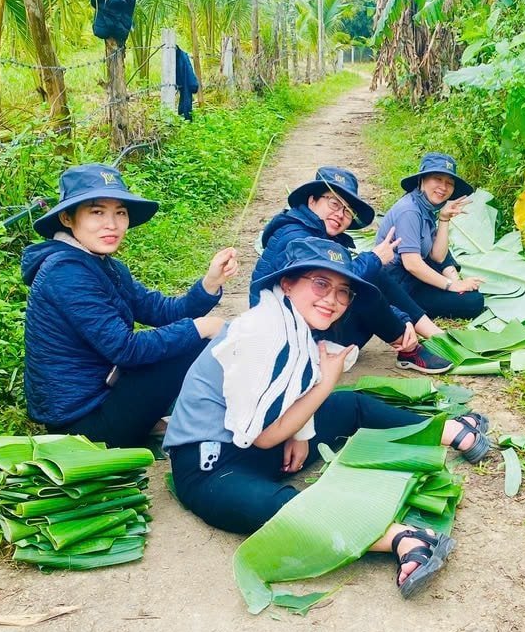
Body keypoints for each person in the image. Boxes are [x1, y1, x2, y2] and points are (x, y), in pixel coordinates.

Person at [164, 238, 492, 597]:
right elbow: (261, 437)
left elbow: (291, 397)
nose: (332, 300)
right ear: (287, 283)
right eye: (320, 284)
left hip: (256, 444)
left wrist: (301, 433)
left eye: (343, 291)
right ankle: (402, 538)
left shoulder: (295, 324)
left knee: (349, 405)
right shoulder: (258, 332)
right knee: (278, 505)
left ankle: (451, 430)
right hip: (209, 465)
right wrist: (326, 382)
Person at [22, 163, 236, 448]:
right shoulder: (65, 272)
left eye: (119, 212)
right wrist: (201, 326)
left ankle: (158, 421)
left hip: (107, 392)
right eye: (97, 212)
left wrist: (210, 283)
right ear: (67, 218)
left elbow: (162, 311)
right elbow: (126, 349)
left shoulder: (104, 265)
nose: (111, 224)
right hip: (84, 425)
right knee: (198, 340)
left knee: (194, 338)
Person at [250, 166, 452, 374]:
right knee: (366, 285)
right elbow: (338, 284)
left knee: (370, 278)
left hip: (309, 324)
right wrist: (375, 260)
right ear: (312, 201)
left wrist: (402, 317)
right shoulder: (296, 237)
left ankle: (419, 336)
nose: (340, 214)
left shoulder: (320, 235)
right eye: (334, 203)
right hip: (290, 336)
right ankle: (410, 346)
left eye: (348, 211)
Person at [377, 153, 486, 321]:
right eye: (438, 179)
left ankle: (455, 285)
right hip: (398, 286)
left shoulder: (425, 208)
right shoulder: (410, 211)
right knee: (473, 302)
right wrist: (452, 285)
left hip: (411, 278)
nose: (444, 187)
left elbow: (438, 256)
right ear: (422, 180)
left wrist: (444, 219)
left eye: (449, 183)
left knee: (469, 294)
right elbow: (412, 264)